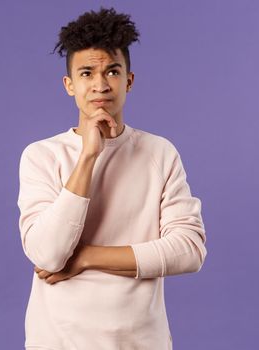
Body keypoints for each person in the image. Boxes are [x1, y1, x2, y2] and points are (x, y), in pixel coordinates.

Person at [17, 6, 207, 350]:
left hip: (141, 342)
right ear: (69, 85)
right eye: (87, 73)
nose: (100, 85)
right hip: (58, 342)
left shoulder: (159, 153)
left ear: (129, 81)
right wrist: (89, 155)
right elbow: (48, 255)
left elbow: (189, 250)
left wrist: (87, 256)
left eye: (113, 71)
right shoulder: (41, 155)